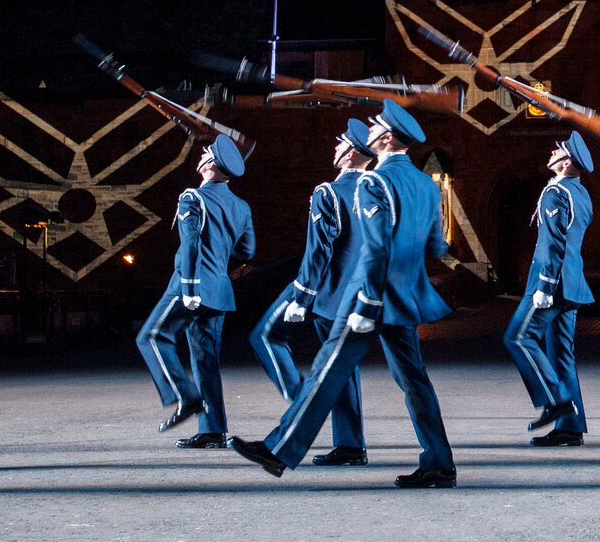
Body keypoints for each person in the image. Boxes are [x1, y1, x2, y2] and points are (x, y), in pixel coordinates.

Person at [231, 100, 458, 488]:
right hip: (404, 296)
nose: (368, 133)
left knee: (326, 370)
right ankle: (439, 462)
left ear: (386, 139)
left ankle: (280, 448)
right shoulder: (425, 183)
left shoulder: (374, 182)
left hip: (369, 299)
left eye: (375, 129)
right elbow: (436, 244)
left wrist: (366, 301)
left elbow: (376, 248)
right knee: (415, 381)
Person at [249, 119, 375, 465]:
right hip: (362, 294)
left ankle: (300, 407)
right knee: (342, 368)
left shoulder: (328, 192)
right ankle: (349, 445)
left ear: (350, 153)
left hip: (328, 291)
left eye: (339, 144)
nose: (334, 148)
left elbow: (318, 250)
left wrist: (302, 296)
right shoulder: (379, 189)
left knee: (265, 335)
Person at [133, 135, 253, 449]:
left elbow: (190, 244)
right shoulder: (241, 205)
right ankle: (213, 430)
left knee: (151, 336)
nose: (199, 157)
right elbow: (247, 249)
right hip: (220, 290)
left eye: (204, 154)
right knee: (206, 361)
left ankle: (185, 396)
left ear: (210, 165)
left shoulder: (192, 197)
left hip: (191, 284)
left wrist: (188, 287)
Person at [505, 130, 596, 446]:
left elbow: (553, 242)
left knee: (517, 337)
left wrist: (543, 286)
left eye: (557, 150)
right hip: (570, 283)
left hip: (552, 284)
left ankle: (554, 399)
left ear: (566, 160)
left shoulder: (555, 193)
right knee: (561, 355)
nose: (551, 152)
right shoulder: (580, 194)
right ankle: (570, 427)